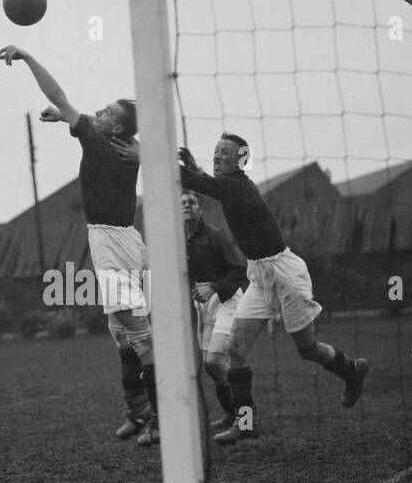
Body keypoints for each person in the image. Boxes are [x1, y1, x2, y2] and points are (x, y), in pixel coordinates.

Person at [114, 133, 368, 436]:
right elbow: (208, 184)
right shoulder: (230, 186)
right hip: (258, 275)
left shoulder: (238, 185)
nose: (218, 156)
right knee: (234, 350)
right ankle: (245, 423)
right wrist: (197, 172)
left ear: (241, 159)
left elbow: (203, 184)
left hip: (285, 273)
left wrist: (148, 157)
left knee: (308, 349)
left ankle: (351, 370)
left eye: (225, 152)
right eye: (216, 151)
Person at [0, 44, 159, 446]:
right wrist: (72, 118)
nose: (96, 114)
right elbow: (80, 114)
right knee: (122, 334)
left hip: (114, 244)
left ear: (117, 130)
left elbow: (58, 96)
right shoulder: (116, 142)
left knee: (138, 334)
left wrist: (29, 57)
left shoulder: (101, 143)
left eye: (105, 113)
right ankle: (138, 414)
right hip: (118, 239)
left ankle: (161, 417)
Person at [181, 191, 253, 444]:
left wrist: (213, 287)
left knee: (217, 358)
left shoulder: (215, 235)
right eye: (182, 203)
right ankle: (232, 413)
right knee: (210, 366)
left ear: (200, 208)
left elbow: (239, 269)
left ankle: (246, 421)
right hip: (203, 306)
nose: (186, 206)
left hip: (227, 301)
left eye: (191, 202)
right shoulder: (180, 242)